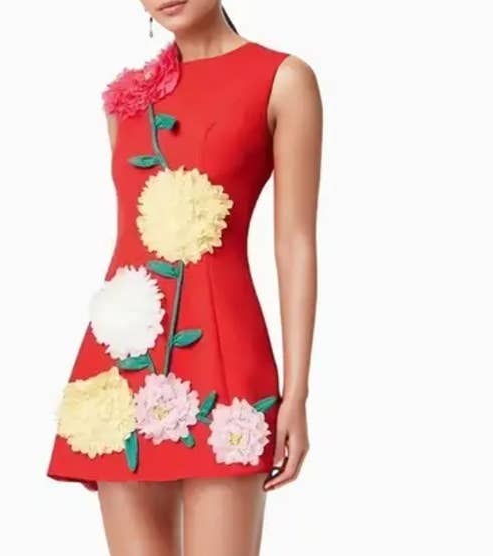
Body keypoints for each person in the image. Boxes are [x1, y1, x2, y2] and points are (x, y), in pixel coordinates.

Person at [47, 1, 322, 554]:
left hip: (226, 360)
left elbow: (294, 244)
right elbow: (132, 241)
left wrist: (296, 393)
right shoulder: (126, 100)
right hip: (122, 365)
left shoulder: (284, 80)